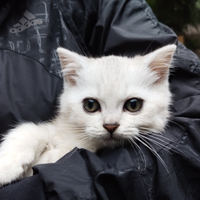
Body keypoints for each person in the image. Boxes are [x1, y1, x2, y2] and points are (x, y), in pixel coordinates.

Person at [0, 0, 200, 199]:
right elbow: (47, 131)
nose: (110, 123)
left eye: (133, 105)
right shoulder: (61, 130)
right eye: (91, 105)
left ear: (159, 81)